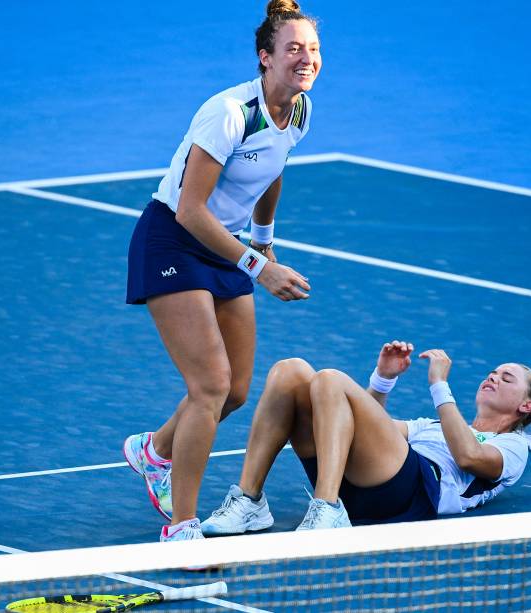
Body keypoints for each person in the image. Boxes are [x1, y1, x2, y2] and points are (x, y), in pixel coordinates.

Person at [122, 0, 322, 542]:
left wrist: (264, 242)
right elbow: (189, 209)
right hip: (173, 239)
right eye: (293, 49)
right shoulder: (229, 112)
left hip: (225, 244)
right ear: (265, 57)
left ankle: (155, 450)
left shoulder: (298, 111)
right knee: (209, 386)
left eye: (313, 49)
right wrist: (258, 267)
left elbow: (271, 171)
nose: (306, 58)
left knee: (234, 390)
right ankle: (182, 526)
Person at [200, 341, 531, 533]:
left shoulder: (514, 447)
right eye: (493, 372)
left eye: (507, 378)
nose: (493, 376)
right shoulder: (432, 427)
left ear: (526, 407)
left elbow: (468, 456)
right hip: (358, 483)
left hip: (411, 492)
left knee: (329, 378)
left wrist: (439, 385)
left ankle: (327, 508)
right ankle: (250, 502)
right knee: (290, 371)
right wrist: (383, 379)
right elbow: (356, 423)